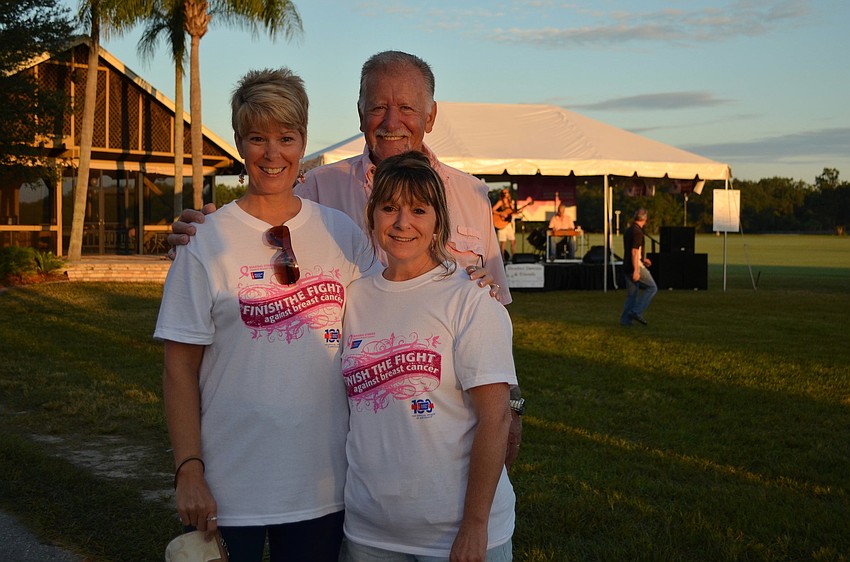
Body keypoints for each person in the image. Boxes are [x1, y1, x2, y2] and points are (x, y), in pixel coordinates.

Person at [169, 50, 524, 468]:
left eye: (407, 108)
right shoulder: (317, 187)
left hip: (447, 428)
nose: (392, 122)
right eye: (378, 107)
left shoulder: (472, 195)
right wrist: (208, 229)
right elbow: (258, 220)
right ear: (359, 114)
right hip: (353, 417)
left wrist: (511, 404)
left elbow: (495, 309)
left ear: (430, 117)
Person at [154, 68, 375, 562]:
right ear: (239, 143)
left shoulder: (342, 234)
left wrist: (469, 285)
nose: (272, 153)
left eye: (286, 137)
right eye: (257, 138)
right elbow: (179, 367)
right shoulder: (204, 242)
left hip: (324, 484)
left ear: (302, 142)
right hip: (231, 486)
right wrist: (189, 468)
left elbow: (395, 309)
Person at [340, 151, 516, 561]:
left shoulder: (470, 298)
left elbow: (497, 416)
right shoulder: (354, 297)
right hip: (371, 531)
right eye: (389, 208)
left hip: (455, 533)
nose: (403, 223)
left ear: (439, 218)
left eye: (419, 209)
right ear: (371, 214)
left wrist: (475, 526)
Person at [620, 207, 658, 326]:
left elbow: (634, 250)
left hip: (626, 265)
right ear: (645, 219)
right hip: (634, 266)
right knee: (652, 288)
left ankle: (625, 321)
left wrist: (643, 259)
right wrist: (637, 270)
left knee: (632, 295)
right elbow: (634, 251)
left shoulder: (629, 230)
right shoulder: (638, 232)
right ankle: (636, 311)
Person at [492, 188, 517, 259]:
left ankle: (513, 257)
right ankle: (502, 258)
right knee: (503, 242)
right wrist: (501, 213)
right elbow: (493, 210)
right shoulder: (500, 202)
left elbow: (512, 211)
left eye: (507, 192)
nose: (506, 193)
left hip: (508, 224)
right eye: (505, 192)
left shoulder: (510, 202)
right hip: (501, 224)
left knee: (513, 241)